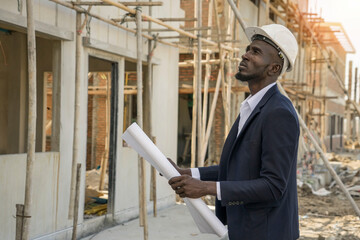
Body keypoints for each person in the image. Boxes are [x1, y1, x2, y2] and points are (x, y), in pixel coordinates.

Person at [168, 24, 300, 240]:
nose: (245, 55)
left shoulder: (278, 112)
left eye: (255, 52)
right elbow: (240, 168)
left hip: (266, 233)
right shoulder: (253, 106)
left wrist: (206, 188)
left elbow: (273, 187)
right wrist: (189, 174)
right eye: (248, 49)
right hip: (247, 230)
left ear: (274, 68)